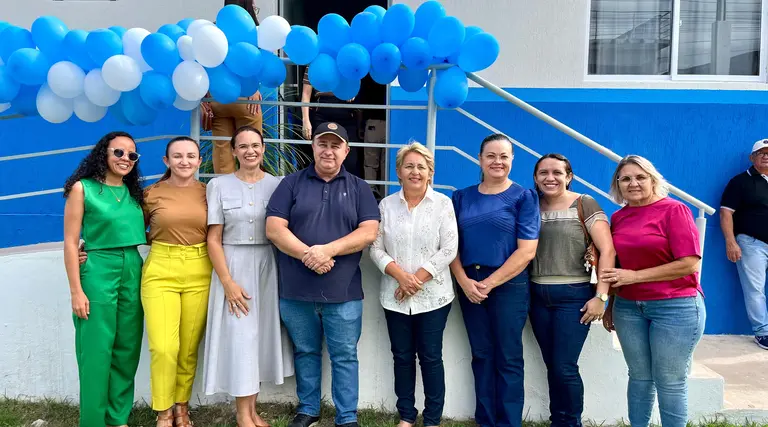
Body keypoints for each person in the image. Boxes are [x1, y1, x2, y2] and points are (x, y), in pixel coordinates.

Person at [266, 122, 380, 427]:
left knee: (344, 357)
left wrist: (327, 250)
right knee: (305, 352)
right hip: (296, 290)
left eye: (335, 145)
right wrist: (309, 254)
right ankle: (308, 409)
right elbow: (275, 229)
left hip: (343, 292)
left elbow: (369, 231)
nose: (328, 151)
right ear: (313, 146)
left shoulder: (359, 188)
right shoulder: (290, 184)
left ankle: (346, 417)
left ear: (346, 150)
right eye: (322, 144)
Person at [602, 155, 705, 427]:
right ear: (618, 185)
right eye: (626, 179)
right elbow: (617, 265)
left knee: (669, 380)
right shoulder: (619, 217)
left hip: (675, 307)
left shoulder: (674, 210)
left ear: (653, 180)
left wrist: (635, 277)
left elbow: (689, 263)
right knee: (639, 377)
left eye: (640, 177)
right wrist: (610, 304)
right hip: (628, 308)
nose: (633, 183)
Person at [202, 125, 293, 427]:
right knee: (241, 338)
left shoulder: (278, 184)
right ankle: (243, 416)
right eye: (243, 146)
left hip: (267, 264)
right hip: (234, 265)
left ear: (264, 148)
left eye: (255, 145)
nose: (250, 151)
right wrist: (227, 282)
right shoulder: (218, 185)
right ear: (233, 150)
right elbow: (213, 238)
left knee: (259, 338)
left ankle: (253, 410)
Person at [449, 134, 540, 427]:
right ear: (480, 159)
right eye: (491, 155)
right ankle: (485, 420)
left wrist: (490, 283)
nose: (497, 162)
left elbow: (526, 251)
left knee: (508, 356)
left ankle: (509, 422)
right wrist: (463, 280)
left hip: (508, 284)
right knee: (482, 353)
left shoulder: (524, 197)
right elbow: (450, 245)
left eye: (503, 156)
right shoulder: (461, 196)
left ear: (512, 160)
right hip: (469, 282)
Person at [369, 142, 458, 427]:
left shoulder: (443, 204)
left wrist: (415, 279)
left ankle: (432, 419)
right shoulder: (386, 205)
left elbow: (449, 249)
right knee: (402, 357)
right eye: (409, 166)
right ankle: (406, 416)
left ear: (430, 173)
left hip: (434, 296)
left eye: (421, 167)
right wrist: (401, 276)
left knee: (431, 357)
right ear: (398, 172)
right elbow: (375, 248)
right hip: (394, 295)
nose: (415, 171)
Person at [63, 131, 147, 427]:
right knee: (97, 350)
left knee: (127, 348)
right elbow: (72, 243)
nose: (125, 159)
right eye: (119, 152)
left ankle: (118, 418)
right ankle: (94, 422)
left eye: (132, 155)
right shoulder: (82, 189)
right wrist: (76, 291)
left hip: (133, 266)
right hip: (98, 267)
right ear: (104, 153)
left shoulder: (135, 193)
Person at [528, 153, 615, 427]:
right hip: (536, 296)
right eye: (543, 173)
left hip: (573, 296)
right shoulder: (530, 205)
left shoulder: (584, 203)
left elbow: (608, 249)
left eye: (557, 172)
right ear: (535, 177)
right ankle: (558, 421)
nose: (550, 178)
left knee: (565, 367)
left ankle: (571, 422)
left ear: (569, 176)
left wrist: (601, 296)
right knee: (553, 365)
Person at [140, 137, 211, 427]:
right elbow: (128, 228)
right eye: (177, 156)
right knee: (164, 347)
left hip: (200, 268)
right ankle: (163, 409)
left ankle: (182, 405)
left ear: (199, 161)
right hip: (160, 268)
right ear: (166, 161)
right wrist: (87, 245)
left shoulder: (210, 193)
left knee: (189, 346)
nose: (185, 161)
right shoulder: (150, 194)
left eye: (191, 156)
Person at [204, 0, 263, 174]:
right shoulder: (252, 28)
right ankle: (251, 186)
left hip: (218, 97)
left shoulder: (214, 29)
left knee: (222, 148)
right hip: (246, 98)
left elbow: (205, 62)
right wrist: (254, 88)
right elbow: (257, 61)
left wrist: (206, 95)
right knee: (251, 145)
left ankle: (224, 195)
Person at [720, 139, 768, 349]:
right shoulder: (740, 182)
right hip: (751, 242)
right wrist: (731, 241)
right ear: (752, 157)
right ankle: (763, 332)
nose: (766, 156)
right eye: (761, 153)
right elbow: (726, 213)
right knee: (755, 289)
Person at [300, 68, 364, 178]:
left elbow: (357, 71)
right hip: (322, 110)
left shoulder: (346, 59)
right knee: (322, 155)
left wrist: (353, 89)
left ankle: (346, 190)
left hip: (346, 110)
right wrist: (306, 120)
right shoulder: (313, 64)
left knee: (350, 160)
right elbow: (306, 94)